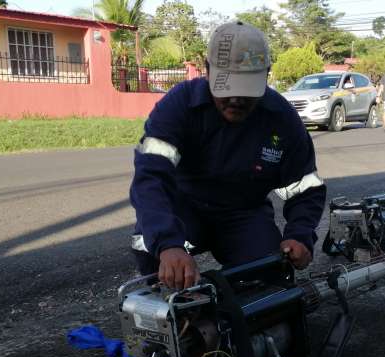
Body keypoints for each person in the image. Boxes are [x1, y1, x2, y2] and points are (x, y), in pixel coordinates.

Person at [129, 21, 326, 290]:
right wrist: (167, 245)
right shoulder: (179, 106)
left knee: (270, 277)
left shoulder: (281, 118)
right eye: (226, 87)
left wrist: (300, 235)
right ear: (207, 70)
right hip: (184, 211)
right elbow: (151, 176)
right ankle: (160, 303)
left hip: (243, 214)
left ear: (266, 75)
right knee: (154, 260)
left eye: (246, 89)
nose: (236, 99)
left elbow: (306, 187)